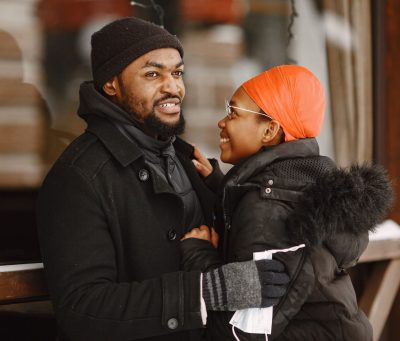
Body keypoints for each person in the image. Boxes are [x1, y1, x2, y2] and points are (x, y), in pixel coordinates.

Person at [36, 17, 290, 341]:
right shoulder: (78, 178)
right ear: (111, 84)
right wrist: (206, 291)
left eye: (178, 73)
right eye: (153, 74)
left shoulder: (187, 160)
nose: (173, 87)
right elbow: (83, 307)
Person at [180, 65, 394, 340]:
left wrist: (199, 256)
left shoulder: (268, 209)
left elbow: (241, 332)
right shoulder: (302, 185)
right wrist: (222, 187)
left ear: (270, 130)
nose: (222, 122)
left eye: (233, 112)